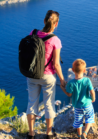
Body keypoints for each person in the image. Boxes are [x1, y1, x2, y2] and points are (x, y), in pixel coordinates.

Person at [26, 10, 66, 139]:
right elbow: (56, 64)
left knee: (32, 103)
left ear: (44, 21)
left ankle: (31, 133)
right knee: (49, 103)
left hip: (32, 75)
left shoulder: (32, 33)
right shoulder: (55, 40)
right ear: (56, 24)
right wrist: (62, 80)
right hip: (48, 76)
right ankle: (49, 133)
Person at [60, 59, 95, 139]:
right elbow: (92, 92)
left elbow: (69, 94)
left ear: (72, 70)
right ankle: (85, 133)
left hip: (77, 107)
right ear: (84, 70)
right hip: (88, 105)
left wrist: (63, 88)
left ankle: (79, 136)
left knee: (78, 122)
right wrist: (93, 98)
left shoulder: (71, 83)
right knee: (89, 118)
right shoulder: (87, 80)